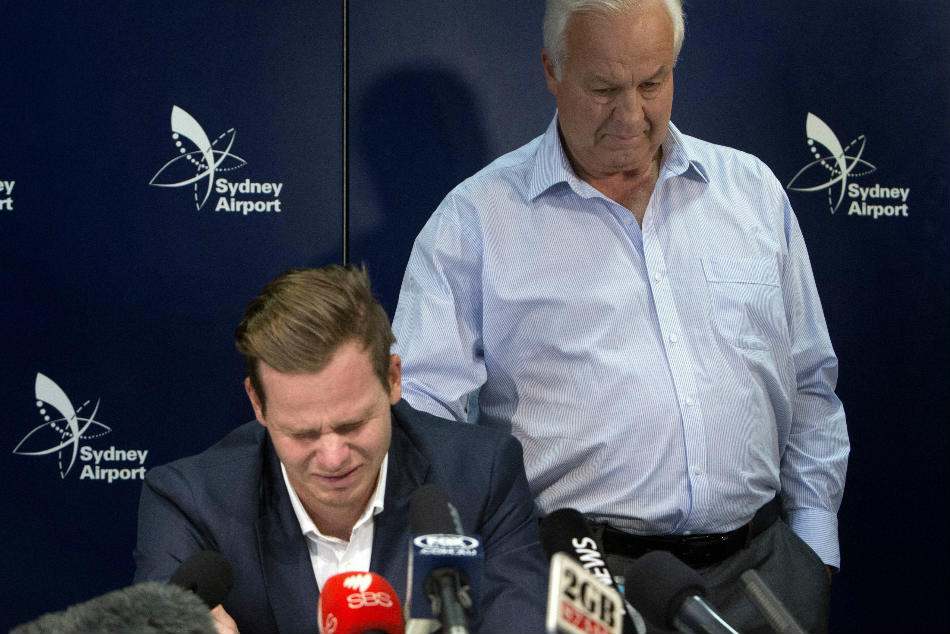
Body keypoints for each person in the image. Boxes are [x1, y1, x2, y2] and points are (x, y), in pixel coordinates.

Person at [392, 1, 849, 632]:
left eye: (652, 83)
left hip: (767, 575)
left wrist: (814, 547)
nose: (631, 115)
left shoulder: (752, 192)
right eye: (604, 89)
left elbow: (810, 385)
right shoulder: (475, 222)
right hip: (579, 585)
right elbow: (423, 427)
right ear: (552, 70)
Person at [133, 265, 548, 634]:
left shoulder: (481, 475)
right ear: (258, 404)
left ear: (393, 379)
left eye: (353, 425)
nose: (333, 458)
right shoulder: (189, 502)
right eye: (303, 434)